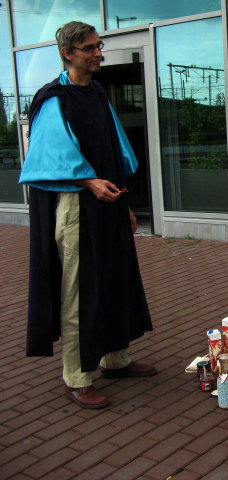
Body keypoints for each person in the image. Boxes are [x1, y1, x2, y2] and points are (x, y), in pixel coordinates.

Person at [18, 21, 155, 409]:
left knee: (113, 278)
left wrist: (124, 203)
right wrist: (90, 183)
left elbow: (112, 152)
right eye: (90, 48)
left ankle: (115, 359)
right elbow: (47, 161)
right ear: (68, 53)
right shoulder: (53, 99)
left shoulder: (95, 93)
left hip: (106, 206)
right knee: (78, 291)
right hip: (75, 208)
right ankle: (76, 377)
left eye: (99, 46)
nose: (99, 53)